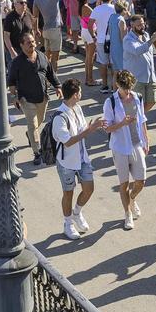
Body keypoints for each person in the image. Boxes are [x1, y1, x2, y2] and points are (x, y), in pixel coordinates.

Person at [52, 79, 105, 241]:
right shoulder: (59, 117)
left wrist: (92, 125)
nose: (81, 94)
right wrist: (90, 129)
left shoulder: (78, 108)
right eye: (79, 92)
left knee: (89, 188)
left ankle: (77, 213)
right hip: (67, 162)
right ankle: (67, 223)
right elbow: (67, 141)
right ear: (75, 95)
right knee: (68, 193)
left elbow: (81, 129)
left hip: (82, 159)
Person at [103, 70, 150, 231]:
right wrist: (122, 123)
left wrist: (146, 140)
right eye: (125, 88)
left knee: (141, 180)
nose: (128, 91)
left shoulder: (137, 98)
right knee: (123, 184)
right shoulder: (111, 102)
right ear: (118, 85)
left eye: (130, 88)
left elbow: (143, 120)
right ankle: (127, 214)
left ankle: (132, 198)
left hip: (136, 144)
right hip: (120, 147)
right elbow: (107, 128)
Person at [7, 32, 62, 166]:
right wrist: (14, 97)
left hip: (42, 97)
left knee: (39, 121)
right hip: (26, 99)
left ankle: (30, 135)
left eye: (33, 41)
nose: (32, 44)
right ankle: (37, 152)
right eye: (28, 42)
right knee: (32, 124)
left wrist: (58, 86)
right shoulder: (17, 62)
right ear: (21, 45)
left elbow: (50, 73)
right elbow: (12, 82)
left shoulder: (42, 56)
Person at [122, 14, 156, 112]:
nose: (142, 26)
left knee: (152, 100)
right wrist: (152, 40)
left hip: (150, 76)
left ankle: (140, 117)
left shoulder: (146, 35)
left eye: (143, 24)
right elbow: (137, 51)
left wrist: (151, 39)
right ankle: (138, 121)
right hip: (136, 78)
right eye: (139, 25)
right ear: (132, 25)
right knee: (137, 104)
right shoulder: (127, 39)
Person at [89, 0, 116, 92]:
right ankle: (115, 86)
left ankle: (104, 85)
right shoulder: (114, 8)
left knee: (103, 63)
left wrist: (93, 36)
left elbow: (90, 24)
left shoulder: (97, 9)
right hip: (113, 40)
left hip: (100, 40)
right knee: (114, 64)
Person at [32, 0, 64, 69]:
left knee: (47, 55)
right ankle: (53, 78)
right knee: (55, 57)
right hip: (55, 30)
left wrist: (36, 29)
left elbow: (35, 16)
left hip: (45, 30)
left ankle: (46, 77)